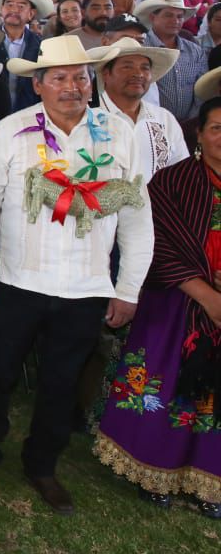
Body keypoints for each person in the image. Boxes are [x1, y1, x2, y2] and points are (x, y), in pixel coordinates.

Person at [0, 36, 153, 515]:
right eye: (60, 78)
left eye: (80, 77)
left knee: (62, 384)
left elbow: (135, 215)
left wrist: (127, 288)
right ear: (38, 85)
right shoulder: (11, 131)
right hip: (18, 283)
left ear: (91, 84)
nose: (72, 87)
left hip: (86, 288)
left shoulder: (118, 134)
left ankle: (42, 465)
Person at [94, 97, 221, 519]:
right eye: (216, 128)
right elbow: (158, 245)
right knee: (161, 390)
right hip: (176, 309)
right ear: (198, 134)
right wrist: (206, 295)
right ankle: (153, 473)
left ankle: (208, 482)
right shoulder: (171, 183)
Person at [91, 40, 187, 180]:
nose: (138, 74)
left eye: (145, 68)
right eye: (127, 67)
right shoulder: (87, 117)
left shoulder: (164, 119)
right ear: (106, 74)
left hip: (159, 202)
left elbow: (181, 172)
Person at [139, 0, 208, 122]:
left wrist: (190, 122)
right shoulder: (141, 48)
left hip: (189, 125)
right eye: (168, 15)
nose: (175, 21)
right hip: (149, 122)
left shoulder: (196, 52)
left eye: (179, 16)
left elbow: (202, 92)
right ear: (153, 17)